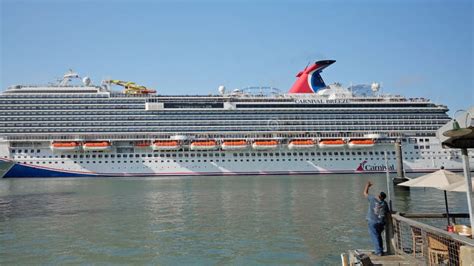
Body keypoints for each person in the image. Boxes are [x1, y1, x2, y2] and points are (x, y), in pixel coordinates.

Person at [363, 181, 389, 256]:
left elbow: (365, 193)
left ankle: (378, 252)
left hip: (372, 222)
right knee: (378, 236)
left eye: (378, 195)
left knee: (374, 236)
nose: (377, 195)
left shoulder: (372, 199)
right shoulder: (385, 203)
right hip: (381, 222)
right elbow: (387, 212)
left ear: (379, 196)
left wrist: (367, 186)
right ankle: (380, 250)